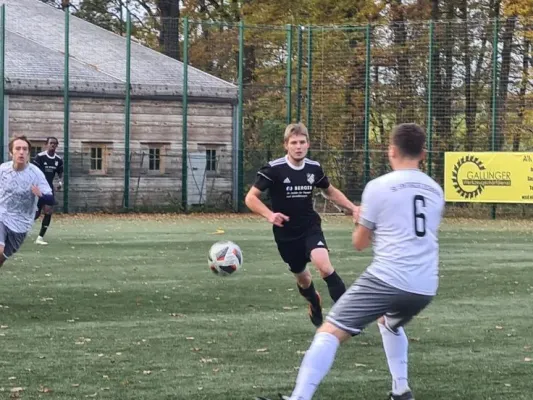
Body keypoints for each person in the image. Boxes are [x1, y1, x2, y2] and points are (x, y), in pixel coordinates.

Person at [255, 123, 445, 400]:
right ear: (423, 154)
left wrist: (361, 219)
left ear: (391, 151)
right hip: (425, 285)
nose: (299, 146)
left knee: (328, 333)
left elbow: (359, 243)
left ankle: (299, 398)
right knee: (390, 323)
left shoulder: (379, 187)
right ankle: (401, 390)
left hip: (388, 278)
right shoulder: (435, 190)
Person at [245, 123, 358, 328]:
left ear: (308, 144)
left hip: (309, 226)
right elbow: (251, 198)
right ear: (286, 145)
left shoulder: (313, 168)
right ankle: (314, 301)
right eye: (294, 143)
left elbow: (330, 191)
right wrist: (270, 215)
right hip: (286, 233)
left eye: (302, 142)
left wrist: (353, 208)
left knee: (324, 266)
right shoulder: (274, 169)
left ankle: (349, 318)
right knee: (303, 279)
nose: (298, 147)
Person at [0, 136, 55, 268]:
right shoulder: (2, 170)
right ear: (11, 152)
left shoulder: (35, 174)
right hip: (1, 215)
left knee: (1, 259)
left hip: (21, 224)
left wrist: (40, 195)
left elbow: (51, 199)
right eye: (17, 148)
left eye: (25, 149)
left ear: (28, 153)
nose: (21, 152)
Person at [33, 136, 63, 245]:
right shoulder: (40, 157)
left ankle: (40, 237)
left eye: (55, 143)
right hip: (38, 189)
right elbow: (33, 172)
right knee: (35, 214)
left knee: (48, 211)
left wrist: (60, 183)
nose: (53, 145)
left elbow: (60, 172)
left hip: (49, 189)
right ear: (46, 144)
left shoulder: (58, 160)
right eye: (51, 143)